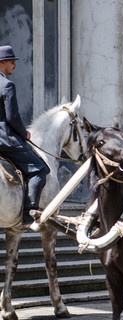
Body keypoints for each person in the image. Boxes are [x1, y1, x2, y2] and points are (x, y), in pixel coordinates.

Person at [0, 45, 49, 227]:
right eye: (12, 62)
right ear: (3, 63)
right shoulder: (7, 85)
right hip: (5, 140)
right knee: (39, 169)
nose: (15, 65)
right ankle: (30, 212)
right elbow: (12, 117)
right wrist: (24, 133)